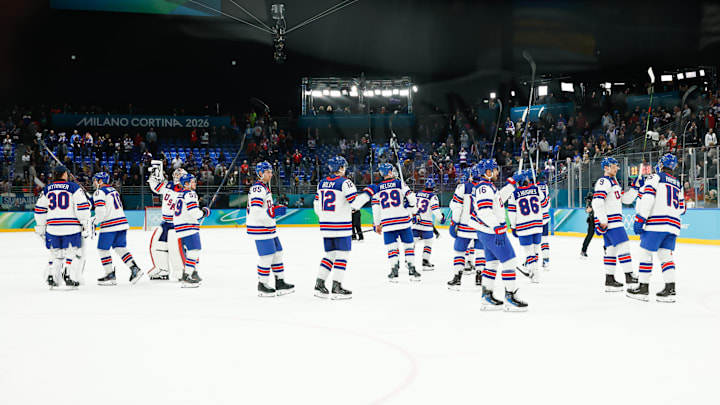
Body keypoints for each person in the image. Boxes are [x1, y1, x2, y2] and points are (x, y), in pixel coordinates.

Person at [627, 154, 684, 302]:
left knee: (645, 254)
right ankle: (670, 289)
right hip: (673, 225)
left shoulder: (655, 177)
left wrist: (641, 218)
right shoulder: (678, 183)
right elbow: (682, 208)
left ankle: (643, 288)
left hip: (656, 224)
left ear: (661, 165)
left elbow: (648, 198)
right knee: (666, 257)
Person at [473, 159, 527, 311]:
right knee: (510, 261)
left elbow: (500, 198)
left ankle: (486, 296)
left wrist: (513, 183)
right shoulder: (484, 188)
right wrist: (497, 228)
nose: (497, 172)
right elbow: (484, 211)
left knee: (491, 264)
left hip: (486, 231)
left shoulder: (487, 187)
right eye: (495, 170)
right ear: (488, 172)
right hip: (491, 232)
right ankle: (510, 297)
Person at [34, 165, 92, 290]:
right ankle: (68, 274)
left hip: (52, 227)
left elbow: (40, 210)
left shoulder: (47, 189)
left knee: (54, 252)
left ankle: (51, 275)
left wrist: (40, 226)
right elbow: (81, 207)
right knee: (72, 251)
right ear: (64, 174)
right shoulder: (73, 187)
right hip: (71, 227)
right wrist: (85, 224)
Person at [591, 157, 639, 292]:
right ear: (606, 167)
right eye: (614, 166)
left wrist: (635, 188)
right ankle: (629, 276)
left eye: (617, 166)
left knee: (611, 251)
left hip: (613, 221)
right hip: (612, 222)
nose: (617, 168)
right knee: (624, 246)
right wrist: (603, 220)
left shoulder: (614, 181)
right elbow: (597, 202)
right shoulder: (604, 181)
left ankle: (609, 280)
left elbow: (625, 199)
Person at [312, 156, 356, 299]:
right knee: (342, 255)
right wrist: (368, 195)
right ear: (340, 168)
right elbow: (354, 204)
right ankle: (337, 287)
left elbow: (316, 205)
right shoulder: (345, 183)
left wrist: (325, 218)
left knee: (330, 255)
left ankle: (319, 284)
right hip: (341, 226)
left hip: (326, 225)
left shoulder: (322, 183)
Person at [247, 161, 294, 296]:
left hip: (268, 227)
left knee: (278, 253)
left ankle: (280, 281)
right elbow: (256, 210)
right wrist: (271, 213)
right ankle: (262, 284)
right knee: (266, 256)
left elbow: (264, 209)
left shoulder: (264, 187)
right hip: (260, 227)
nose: (271, 175)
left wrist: (272, 210)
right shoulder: (258, 188)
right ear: (260, 173)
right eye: (268, 172)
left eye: (271, 172)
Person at [91, 172, 144, 285]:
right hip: (122, 222)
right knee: (120, 248)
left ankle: (109, 274)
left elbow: (101, 212)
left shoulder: (99, 192)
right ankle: (135, 268)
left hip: (110, 225)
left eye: (96, 180)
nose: (94, 182)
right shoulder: (113, 190)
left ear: (101, 181)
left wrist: (94, 222)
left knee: (103, 249)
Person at [372, 163, 420, 282]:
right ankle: (411, 268)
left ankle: (394, 270)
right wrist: (413, 210)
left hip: (387, 223)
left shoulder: (377, 188)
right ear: (389, 172)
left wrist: (377, 223)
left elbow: (375, 207)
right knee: (408, 246)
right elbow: (412, 198)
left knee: (391, 247)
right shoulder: (399, 183)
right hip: (403, 220)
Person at [447, 166, 484, 290]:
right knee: (480, 253)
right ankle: (480, 277)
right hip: (481, 226)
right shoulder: (488, 188)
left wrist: (454, 223)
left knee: (459, 252)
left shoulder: (463, 187)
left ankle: (457, 277)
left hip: (465, 226)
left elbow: (457, 208)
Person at [147, 166, 186, 281]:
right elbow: (156, 188)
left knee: (175, 247)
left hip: (177, 224)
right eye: (176, 175)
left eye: (179, 176)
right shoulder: (168, 186)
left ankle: (180, 269)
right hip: (165, 223)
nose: (176, 177)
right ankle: (162, 268)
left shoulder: (186, 193)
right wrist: (153, 177)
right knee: (157, 245)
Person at [174, 173, 210, 287]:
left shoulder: (180, 194)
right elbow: (194, 212)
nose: (195, 183)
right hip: (188, 226)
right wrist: (204, 212)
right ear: (186, 184)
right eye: (193, 181)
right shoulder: (190, 194)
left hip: (181, 226)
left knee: (192, 252)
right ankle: (187, 276)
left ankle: (193, 273)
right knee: (195, 250)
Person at [507, 169, 544, 283]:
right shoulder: (536, 189)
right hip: (537, 223)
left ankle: (534, 273)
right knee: (535, 248)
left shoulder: (514, 193)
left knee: (528, 251)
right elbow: (544, 202)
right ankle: (533, 269)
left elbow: (512, 212)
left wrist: (513, 226)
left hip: (524, 225)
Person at [412, 178, 445, 271]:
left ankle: (408, 261)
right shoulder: (432, 196)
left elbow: (410, 205)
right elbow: (435, 210)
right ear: (434, 187)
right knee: (428, 242)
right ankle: (425, 261)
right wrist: (441, 218)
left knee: (412, 243)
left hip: (416, 222)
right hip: (426, 225)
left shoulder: (417, 194)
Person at [536, 172, 551, 269]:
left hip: (535, 218)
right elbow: (548, 201)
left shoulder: (533, 187)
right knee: (544, 240)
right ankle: (546, 261)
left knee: (534, 241)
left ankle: (531, 261)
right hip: (545, 217)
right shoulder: (545, 187)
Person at [580, 191, 594, 258]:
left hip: (600, 218)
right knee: (590, 235)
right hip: (592, 220)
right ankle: (583, 250)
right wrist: (591, 205)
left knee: (606, 234)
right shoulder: (590, 200)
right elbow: (587, 210)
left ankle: (607, 248)